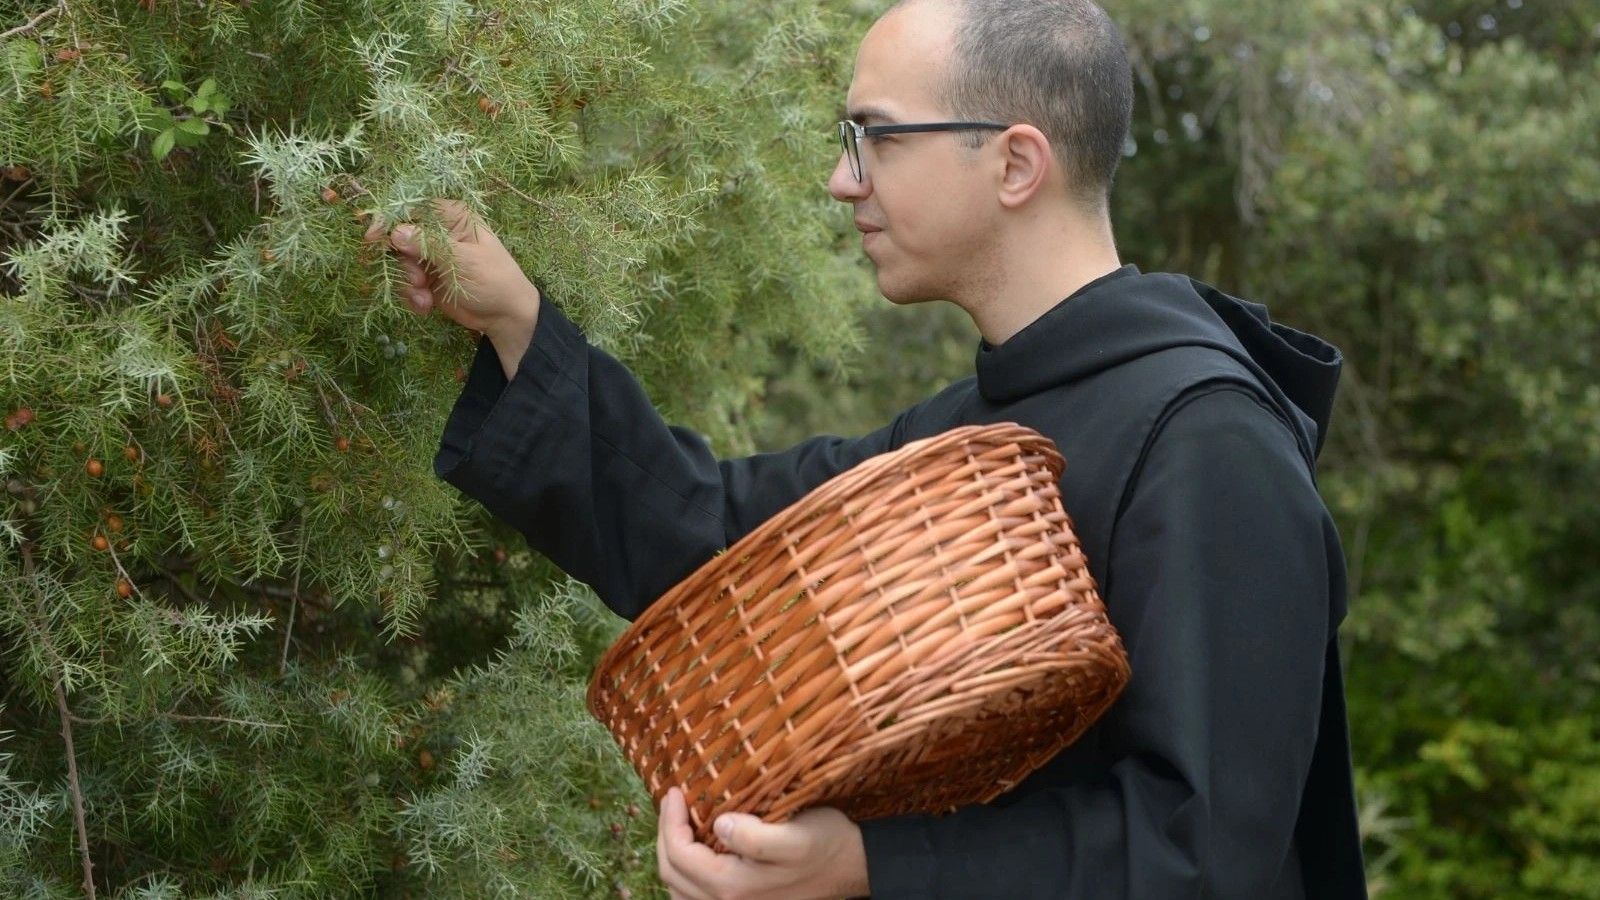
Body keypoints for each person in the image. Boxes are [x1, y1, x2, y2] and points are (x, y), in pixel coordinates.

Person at [365, 0, 1368, 896]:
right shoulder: (972, 423)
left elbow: (1206, 853)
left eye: (875, 139)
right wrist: (515, 322)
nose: (841, 182)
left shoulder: (1209, 439)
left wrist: (870, 868)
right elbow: (713, 534)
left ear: (1015, 162)